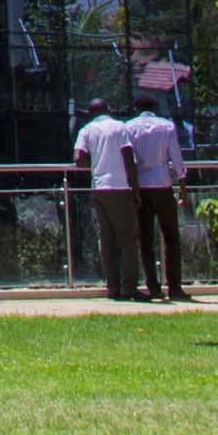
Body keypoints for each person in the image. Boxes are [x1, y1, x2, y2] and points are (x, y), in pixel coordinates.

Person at [77, 100, 143, 298]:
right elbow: (128, 157)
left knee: (106, 240)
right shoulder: (119, 127)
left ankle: (112, 286)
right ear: (109, 109)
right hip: (119, 186)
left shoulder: (86, 130)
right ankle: (129, 287)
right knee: (129, 239)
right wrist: (135, 188)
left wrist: (95, 163)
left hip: (99, 187)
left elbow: (78, 158)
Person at [132, 96, 193, 299]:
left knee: (145, 239)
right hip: (163, 185)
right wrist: (182, 185)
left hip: (140, 186)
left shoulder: (129, 128)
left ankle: (153, 286)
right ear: (155, 107)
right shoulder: (166, 127)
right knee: (171, 237)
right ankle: (174, 286)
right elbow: (176, 157)